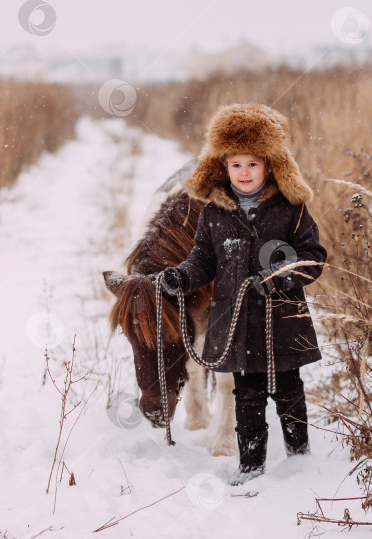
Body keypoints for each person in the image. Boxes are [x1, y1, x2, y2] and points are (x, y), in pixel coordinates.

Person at [160, 103, 327, 486]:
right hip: (236, 327)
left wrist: (282, 278)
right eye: (236, 165)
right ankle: (251, 467)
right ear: (222, 168)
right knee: (246, 397)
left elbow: (313, 257)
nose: (244, 173)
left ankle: (300, 459)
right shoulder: (214, 214)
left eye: (252, 164)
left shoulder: (291, 210)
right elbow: (203, 259)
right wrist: (181, 278)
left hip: (282, 322)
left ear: (269, 166)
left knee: (289, 393)